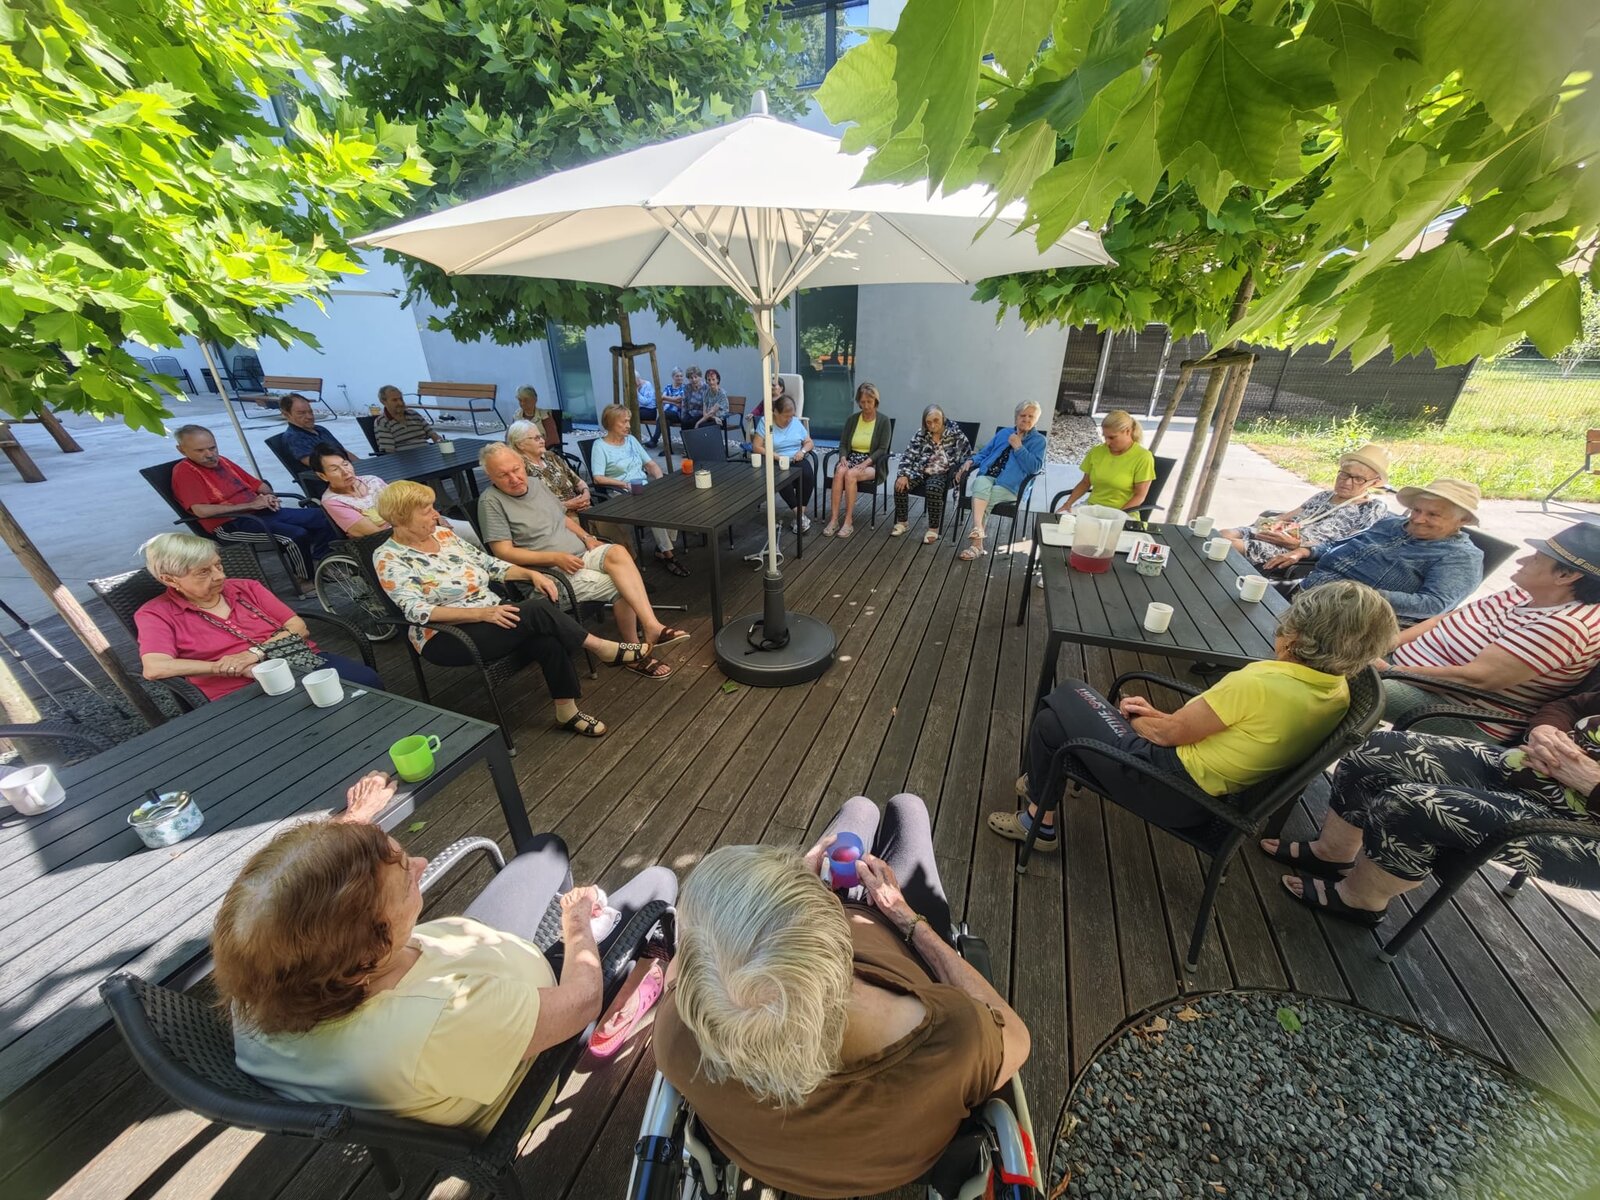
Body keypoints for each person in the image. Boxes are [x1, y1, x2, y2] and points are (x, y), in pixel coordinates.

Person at [217, 771, 677, 1131]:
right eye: (405, 879)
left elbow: (295, 894)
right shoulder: (437, 1022)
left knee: (546, 850)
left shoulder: (267, 968)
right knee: (659, 883)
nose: (420, 864)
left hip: (465, 966)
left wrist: (353, 823)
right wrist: (575, 924)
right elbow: (580, 1003)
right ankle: (629, 994)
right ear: (363, 956)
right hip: (524, 1036)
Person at [654, 793, 1031, 1198]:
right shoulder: (952, 1035)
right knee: (906, 809)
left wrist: (788, 901)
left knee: (858, 813)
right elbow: (1015, 1036)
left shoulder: (679, 1038)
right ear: (840, 943)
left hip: (768, 1158)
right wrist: (906, 918)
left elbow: (692, 964)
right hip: (892, 930)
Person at [989, 581, 1397, 851]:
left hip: (1166, 786)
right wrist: (1157, 717)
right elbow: (1241, 730)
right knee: (1059, 720)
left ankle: (1039, 815)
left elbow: (1165, 737)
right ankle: (1040, 794)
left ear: (1296, 634)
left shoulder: (1262, 682)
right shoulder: (1337, 690)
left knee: (1066, 696)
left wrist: (1133, 720)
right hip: (1216, 796)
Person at [1264, 690, 1600, 927]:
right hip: (1527, 767)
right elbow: (1573, 705)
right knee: (1376, 748)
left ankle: (1362, 900)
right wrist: (1546, 730)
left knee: (1408, 805)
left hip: (1583, 827)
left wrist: (1590, 783)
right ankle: (1332, 853)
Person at [373, 480, 649, 738]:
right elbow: (416, 611)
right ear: (400, 518)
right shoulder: (389, 557)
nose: (436, 515)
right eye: (426, 511)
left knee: (547, 638)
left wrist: (530, 574)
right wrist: (482, 614)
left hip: (492, 615)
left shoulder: (444, 536)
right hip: (444, 635)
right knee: (537, 610)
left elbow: (490, 564)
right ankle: (602, 648)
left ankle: (567, 712)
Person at [477, 443, 689, 680]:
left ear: (522, 464)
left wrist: (587, 537)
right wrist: (554, 557)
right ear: (490, 476)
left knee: (618, 552)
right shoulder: (491, 502)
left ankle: (652, 626)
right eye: (503, 475)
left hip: (579, 555)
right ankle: (634, 653)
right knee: (620, 584)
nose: (514, 478)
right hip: (548, 575)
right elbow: (503, 552)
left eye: (516, 469)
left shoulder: (536, 484)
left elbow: (561, 517)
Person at [1375, 524, 1600, 740]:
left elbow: (1473, 679)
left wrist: (1390, 670)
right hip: (1405, 670)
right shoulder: (1529, 591)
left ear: (1565, 575)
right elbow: (1442, 620)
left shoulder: (1566, 626)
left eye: (1535, 559)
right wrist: (1384, 645)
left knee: (1355, 680)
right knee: (1352, 643)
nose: (1521, 561)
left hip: (1455, 710)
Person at [135, 532, 383, 701]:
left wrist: (253, 654)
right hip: (237, 688)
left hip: (298, 659)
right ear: (170, 579)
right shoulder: (155, 614)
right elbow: (156, 667)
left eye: (218, 565)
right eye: (203, 572)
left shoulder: (246, 588)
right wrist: (229, 668)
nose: (220, 576)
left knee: (366, 682)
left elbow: (298, 627)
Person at [1267, 478, 1484, 624]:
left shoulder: (1461, 556)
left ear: (1463, 519)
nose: (1418, 519)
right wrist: (1304, 552)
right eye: (1416, 510)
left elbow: (1433, 605)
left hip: (1348, 619)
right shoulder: (1391, 524)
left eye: (1433, 515)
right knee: (1248, 598)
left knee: (1259, 632)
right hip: (1307, 589)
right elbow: (1340, 544)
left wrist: (1361, 595)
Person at [170, 424, 335, 584]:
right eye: (200, 450)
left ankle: (321, 561)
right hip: (229, 524)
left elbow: (260, 486)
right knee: (294, 535)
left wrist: (268, 496)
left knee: (325, 515)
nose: (209, 454)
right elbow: (201, 511)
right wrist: (251, 505)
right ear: (181, 450)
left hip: (260, 513)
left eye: (212, 448)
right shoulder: (185, 472)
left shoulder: (223, 461)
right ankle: (305, 580)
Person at [1219, 443, 1390, 567]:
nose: (1346, 482)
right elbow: (1285, 517)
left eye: (1358, 479)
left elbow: (1349, 546)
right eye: (1344, 474)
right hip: (1280, 533)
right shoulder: (1325, 495)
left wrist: (1299, 547)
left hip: (1299, 551)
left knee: (1228, 545)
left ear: (1374, 483)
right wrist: (1262, 527)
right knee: (1223, 534)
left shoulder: (1372, 508)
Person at [311, 445, 481, 548]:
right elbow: (375, 534)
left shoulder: (372, 480)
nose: (345, 471)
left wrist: (435, 516)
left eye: (345, 464)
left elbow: (406, 502)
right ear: (322, 476)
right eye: (335, 469)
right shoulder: (333, 502)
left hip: (421, 525)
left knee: (479, 533)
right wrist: (421, 528)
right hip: (394, 542)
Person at [589, 403, 689, 577]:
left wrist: (660, 481)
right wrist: (623, 485)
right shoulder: (600, 446)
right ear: (611, 423)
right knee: (654, 511)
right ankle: (669, 556)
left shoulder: (631, 440)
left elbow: (650, 464)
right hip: (620, 493)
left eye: (629, 421)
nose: (628, 425)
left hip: (642, 488)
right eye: (624, 422)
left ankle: (661, 548)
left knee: (675, 502)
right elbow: (598, 477)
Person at [955, 400, 1045, 561]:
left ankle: (976, 545)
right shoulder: (1004, 433)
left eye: (1030, 416)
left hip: (1012, 486)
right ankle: (978, 530)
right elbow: (985, 452)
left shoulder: (1039, 441)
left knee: (984, 498)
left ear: (1036, 419)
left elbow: (1034, 468)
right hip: (989, 475)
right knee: (980, 482)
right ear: (1016, 417)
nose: (1026, 419)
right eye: (1022, 415)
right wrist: (971, 461)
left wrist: (1019, 447)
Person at [1053, 409, 1157, 520]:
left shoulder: (1143, 457)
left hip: (1124, 513)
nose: (1107, 442)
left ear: (1127, 431)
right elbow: (1085, 483)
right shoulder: (1097, 451)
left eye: (1112, 437)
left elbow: (1139, 495)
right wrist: (1068, 503)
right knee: (1061, 519)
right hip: (1093, 508)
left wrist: (1117, 516)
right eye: (1105, 437)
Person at [891, 405, 972, 543]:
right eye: (928, 422)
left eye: (936, 420)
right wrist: (903, 474)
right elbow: (908, 455)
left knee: (933, 488)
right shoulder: (921, 434)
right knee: (900, 484)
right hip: (920, 470)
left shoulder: (955, 434)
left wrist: (960, 470)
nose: (932, 425)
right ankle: (903, 522)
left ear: (943, 418)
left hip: (944, 472)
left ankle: (933, 529)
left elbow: (967, 456)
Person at [822, 382, 892, 540]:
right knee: (840, 471)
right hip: (851, 457)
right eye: (863, 401)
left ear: (875, 401)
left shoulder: (884, 421)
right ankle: (834, 520)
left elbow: (882, 449)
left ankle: (848, 521)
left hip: (873, 463)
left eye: (869, 401)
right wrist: (843, 457)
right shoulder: (852, 419)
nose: (866, 405)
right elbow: (843, 444)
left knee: (850, 475)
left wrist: (866, 462)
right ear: (858, 402)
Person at [751, 393, 814, 532]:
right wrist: (775, 456)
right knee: (783, 477)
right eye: (786, 416)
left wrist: (802, 451)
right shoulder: (766, 422)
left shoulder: (795, 422)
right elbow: (756, 446)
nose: (789, 419)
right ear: (775, 412)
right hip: (775, 459)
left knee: (808, 474)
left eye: (791, 416)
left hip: (795, 458)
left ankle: (800, 516)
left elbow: (809, 442)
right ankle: (799, 516)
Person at [507, 419, 592, 513]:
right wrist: (567, 505)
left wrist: (586, 494)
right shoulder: (519, 468)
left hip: (581, 509)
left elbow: (578, 482)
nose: (542, 441)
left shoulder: (551, 457)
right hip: (554, 517)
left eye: (542, 436)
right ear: (520, 444)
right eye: (536, 438)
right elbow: (529, 505)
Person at [279, 393, 356, 466]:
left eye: (310, 412)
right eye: (301, 413)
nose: (309, 417)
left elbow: (343, 451)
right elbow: (318, 465)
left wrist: (360, 463)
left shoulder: (320, 429)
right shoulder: (294, 437)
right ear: (286, 414)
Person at [373, 385, 442, 453]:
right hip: (404, 457)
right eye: (395, 400)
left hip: (426, 452)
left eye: (401, 399)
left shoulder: (413, 414)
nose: (400, 403)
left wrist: (442, 444)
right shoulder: (382, 422)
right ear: (383, 402)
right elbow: (389, 453)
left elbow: (434, 435)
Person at [516, 385, 561, 449]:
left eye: (526, 400)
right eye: (520, 400)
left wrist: (534, 448)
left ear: (535, 400)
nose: (522, 403)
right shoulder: (517, 415)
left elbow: (553, 439)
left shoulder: (544, 415)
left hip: (541, 450)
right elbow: (509, 437)